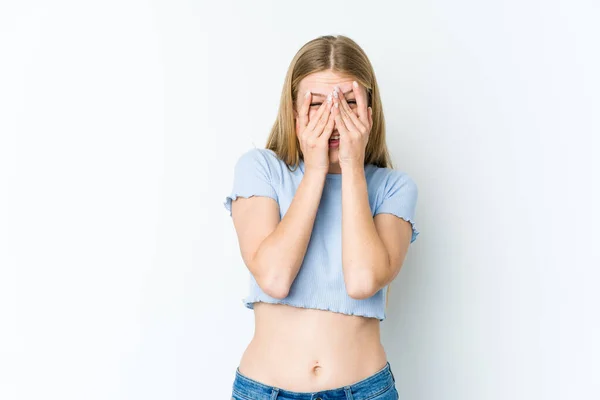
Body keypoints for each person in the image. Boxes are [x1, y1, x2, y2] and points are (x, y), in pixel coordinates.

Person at [224, 35, 420, 400]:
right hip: (264, 391)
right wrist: (315, 171)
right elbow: (275, 277)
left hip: (364, 391)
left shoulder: (393, 188)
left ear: (369, 114)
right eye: (316, 104)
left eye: (348, 103)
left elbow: (363, 281)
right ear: (294, 113)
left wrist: (351, 167)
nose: (333, 119)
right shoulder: (260, 170)